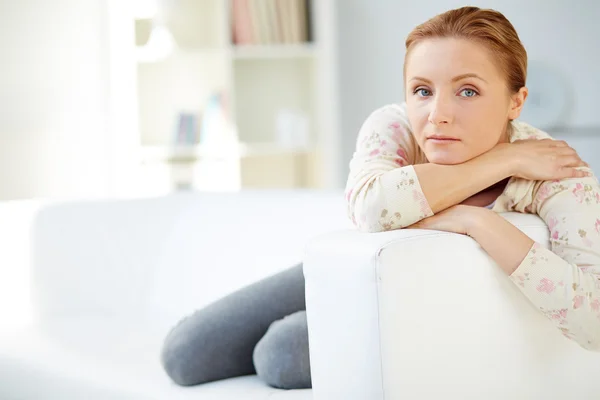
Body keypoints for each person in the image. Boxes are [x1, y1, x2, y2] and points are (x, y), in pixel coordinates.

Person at [160, 6, 600, 391]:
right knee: (183, 353)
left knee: (280, 354)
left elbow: (593, 319)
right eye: (422, 90)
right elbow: (370, 208)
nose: (438, 114)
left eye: (468, 91)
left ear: (516, 101)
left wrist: (476, 222)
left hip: (426, 309)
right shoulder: (395, 126)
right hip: (354, 268)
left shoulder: (557, 173)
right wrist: (499, 162)